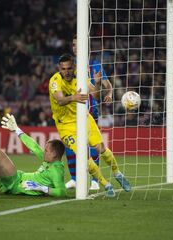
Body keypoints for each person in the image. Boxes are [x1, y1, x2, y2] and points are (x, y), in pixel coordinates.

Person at [48, 53, 131, 197]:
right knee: (83, 155)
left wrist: (98, 83)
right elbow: (60, 100)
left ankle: (118, 173)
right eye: (63, 69)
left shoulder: (80, 77)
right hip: (66, 126)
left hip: (84, 118)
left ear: (73, 67)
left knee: (101, 148)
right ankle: (105, 183)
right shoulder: (55, 81)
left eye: (69, 68)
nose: (66, 72)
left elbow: (96, 96)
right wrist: (74, 97)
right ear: (59, 69)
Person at [65, 35, 113, 190]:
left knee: (92, 144)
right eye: (73, 44)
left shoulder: (94, 65)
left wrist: (109, 93)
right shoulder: (69, 67)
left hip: (91, 109)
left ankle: (94, 180)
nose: (75, 47)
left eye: (78, 45)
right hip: (73, 109)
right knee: (69, 143)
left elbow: (107, 86)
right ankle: (74, 178)